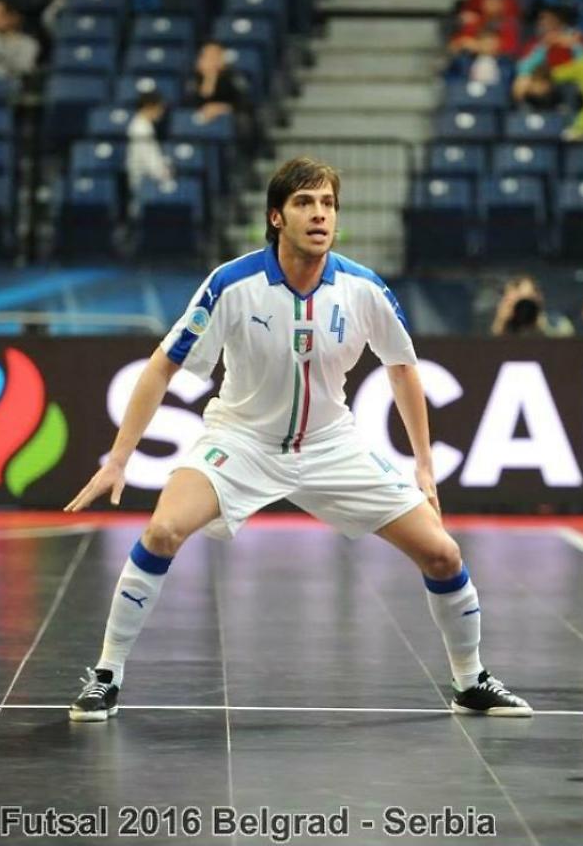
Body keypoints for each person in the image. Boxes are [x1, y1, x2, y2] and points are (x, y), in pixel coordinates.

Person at [65, 157, 532, 722]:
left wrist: (425, 465)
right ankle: (107, 673)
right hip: (241, 440)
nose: (319, 215)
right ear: (276, 217)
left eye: (328, 204)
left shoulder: (364, 289)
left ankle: (470, 681)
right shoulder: (231, 284)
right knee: (162, 531)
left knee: (443, 553)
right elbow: (162, 367)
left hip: (331, 445)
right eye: (305, 203)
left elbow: (403, 369)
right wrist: (119, 459)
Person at [490, 274, 574, 337]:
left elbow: (567, 346)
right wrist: (501, 322)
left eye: (526, 303)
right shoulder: (504, 324)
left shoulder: (557, 322)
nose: (522, 310)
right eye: (517, 305)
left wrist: (541, 325)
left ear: (538, 298)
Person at [126, 91, 172, 197]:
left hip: (149, 179)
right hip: (144, 182)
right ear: (149, 106)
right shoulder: (140, 129)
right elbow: (149, 161)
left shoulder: (145, 126)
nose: (162, 112)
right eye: (160, 107)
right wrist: (164, 174)